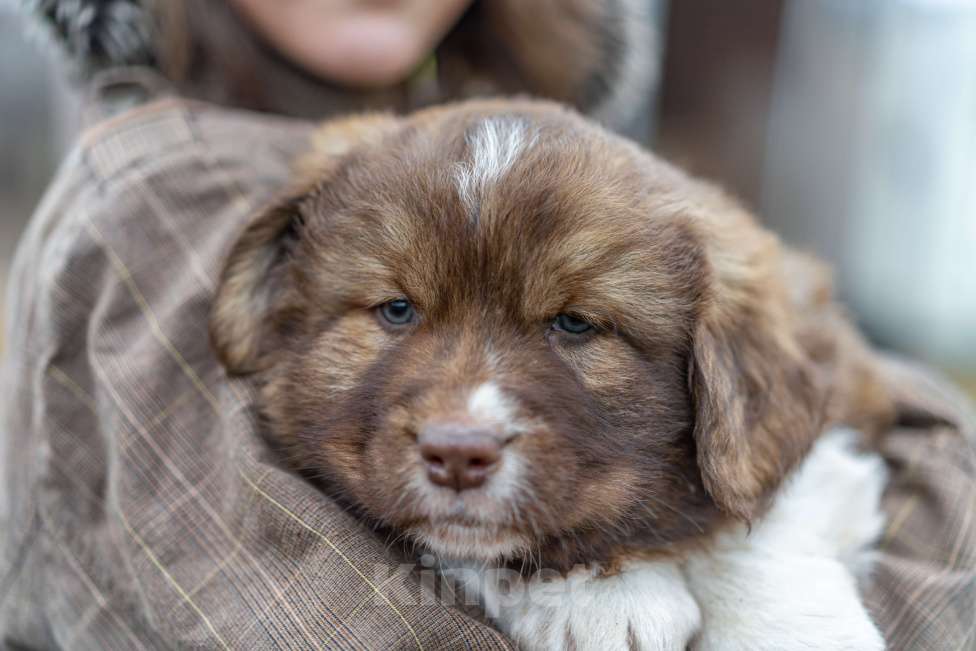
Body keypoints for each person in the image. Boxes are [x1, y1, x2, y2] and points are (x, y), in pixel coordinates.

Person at [1, 1, 972, 649]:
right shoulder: (159, 214)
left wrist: (741, 563)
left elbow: (858, 402)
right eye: (393, 311)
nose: (464, 413)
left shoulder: (578, 179)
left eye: (572, 325)